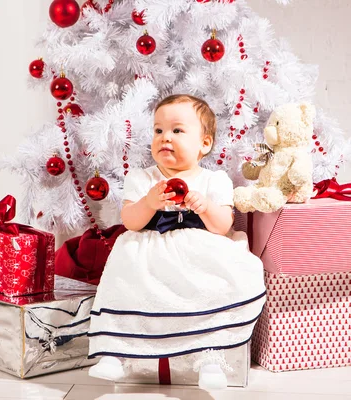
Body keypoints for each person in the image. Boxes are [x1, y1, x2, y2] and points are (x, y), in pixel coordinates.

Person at [87, 94, 266, 390]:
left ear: (204, 144)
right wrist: (149, 202)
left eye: (177, 130)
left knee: (212, 288)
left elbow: (223, 226)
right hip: (149, 248)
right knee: (124, 276)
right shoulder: (142, 178)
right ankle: (117, 352)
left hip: (199, 250)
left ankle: (210, 356)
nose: (164, 137)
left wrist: (205, 206)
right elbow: (131, 221)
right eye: (158, 130)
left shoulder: (214, 180)